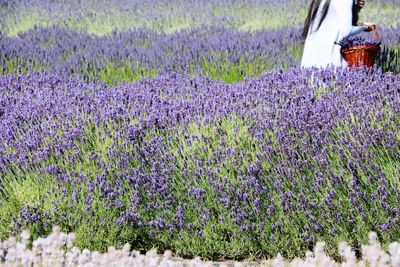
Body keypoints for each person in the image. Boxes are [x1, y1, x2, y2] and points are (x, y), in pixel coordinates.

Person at [301, 0, 376, 68]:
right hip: (329, 56)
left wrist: (355, 6)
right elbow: (346, 31)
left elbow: (332, 24)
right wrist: (364, 27)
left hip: (311, 56)